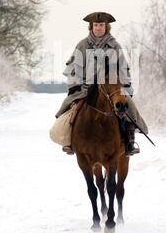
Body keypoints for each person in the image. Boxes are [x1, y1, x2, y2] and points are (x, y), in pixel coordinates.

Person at [55, 11, 148, 155]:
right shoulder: (83, 45)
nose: (98, 28)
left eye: (101, 25)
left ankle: (129, 143)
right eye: (96, 25)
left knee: (128, 108)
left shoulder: (114, 46)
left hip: (111, 89)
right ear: (91, 27)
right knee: (70, 109)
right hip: (86, 88)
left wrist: (125, 88)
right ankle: (69, 141)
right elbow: (72, 68)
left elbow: (123, 68)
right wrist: (75, 87)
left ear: (106, 27)